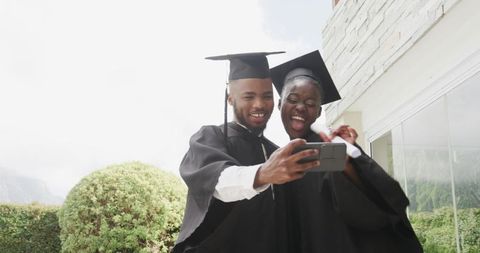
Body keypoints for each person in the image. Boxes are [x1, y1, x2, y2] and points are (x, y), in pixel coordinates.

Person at [270, 50, 423, 253]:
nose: (300, 107)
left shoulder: (331, 147)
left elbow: (376, 208)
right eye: (293, 99)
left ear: (318, 112)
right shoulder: (275, 161)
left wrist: (346, 163)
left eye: (310, 103)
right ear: (280, 103)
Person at [172, 52, 320, 253]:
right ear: (230, 98)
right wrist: (263, 174)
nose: (259, 104)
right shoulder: (210, 138)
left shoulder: (276, 153)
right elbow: (218, 183)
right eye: (249, 96)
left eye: (267, 96)